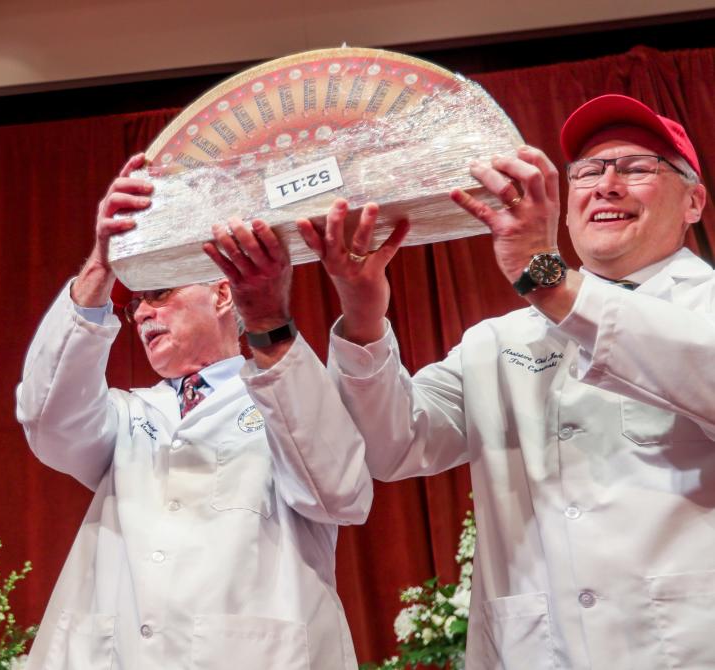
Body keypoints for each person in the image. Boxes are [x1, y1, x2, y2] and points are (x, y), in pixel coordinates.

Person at [300, 94, 712, 669]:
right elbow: (390, 447)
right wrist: (364, 315)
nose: (606, 185)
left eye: (637, 167)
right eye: (589, 172)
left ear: (694, 201)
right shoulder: (500, 340)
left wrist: (550, 281)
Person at [16, 153, 373, 669]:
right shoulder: (126, 417)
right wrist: (100, 264)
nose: (140, 313)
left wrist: (269, 322)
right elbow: (47, 418)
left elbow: (341, 495)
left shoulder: (291, 391)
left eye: (160, 293)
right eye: (133, 300)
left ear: (223, 294)